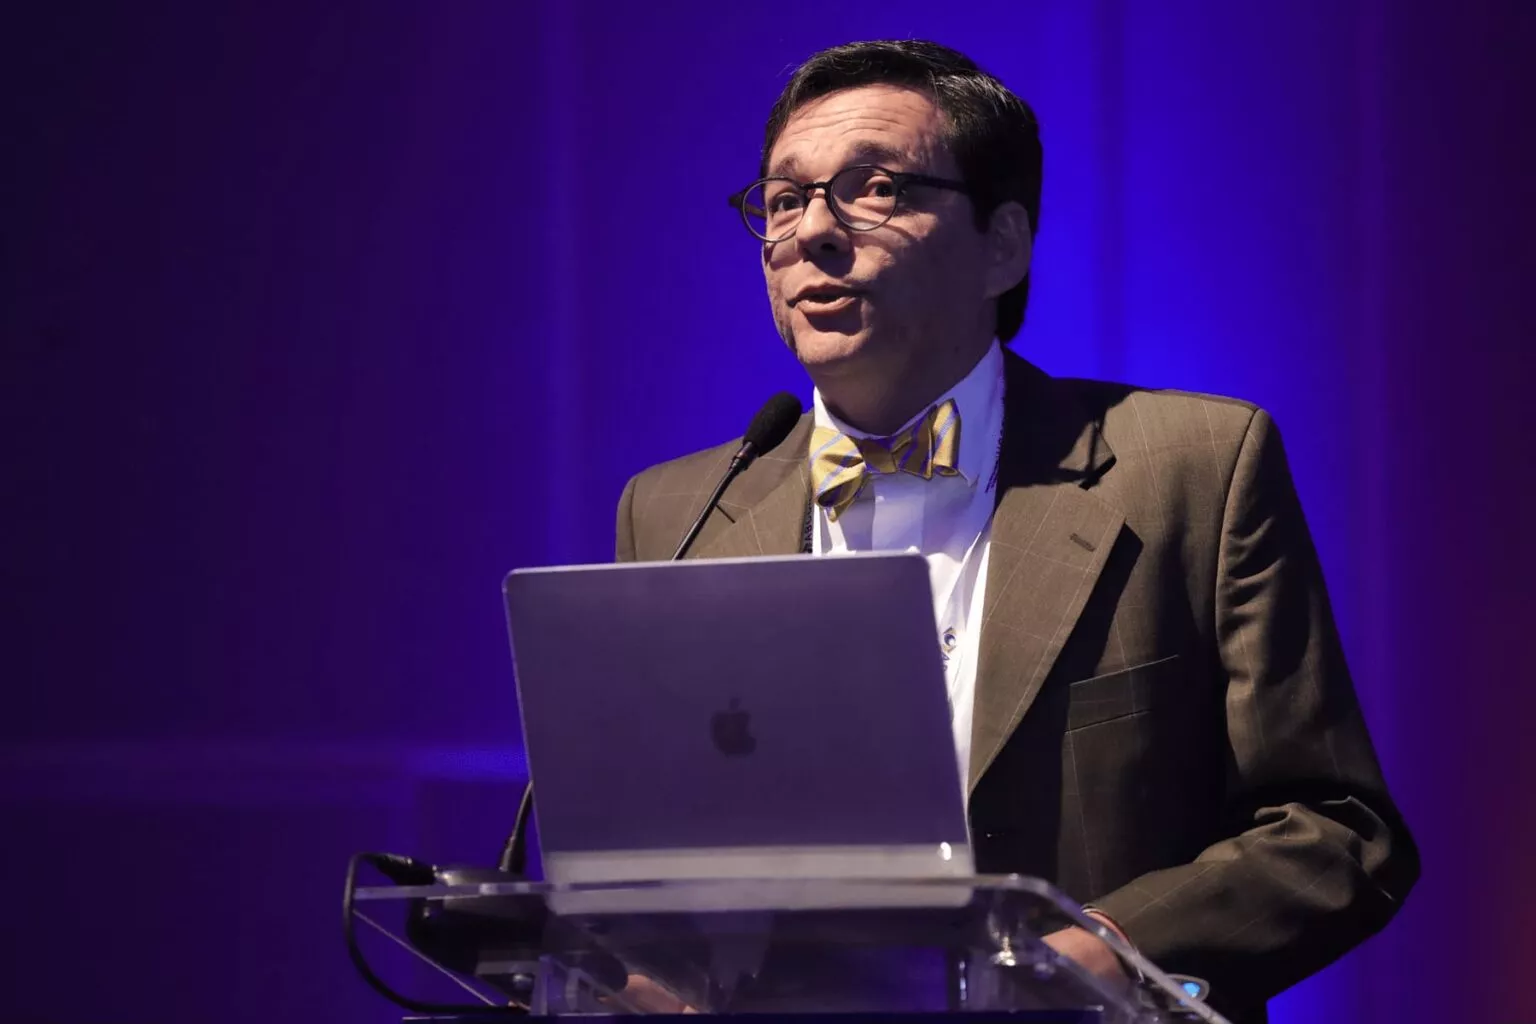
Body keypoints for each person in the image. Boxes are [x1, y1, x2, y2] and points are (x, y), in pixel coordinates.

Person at [614, 39, 1417, 1023]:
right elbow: (642, 863)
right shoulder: (677, 511)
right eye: (784, 199)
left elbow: (1335, 833)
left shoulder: (1193, 469)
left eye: (873, 188)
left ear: (1004, 243)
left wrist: (1109, 951)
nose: (812, 230)